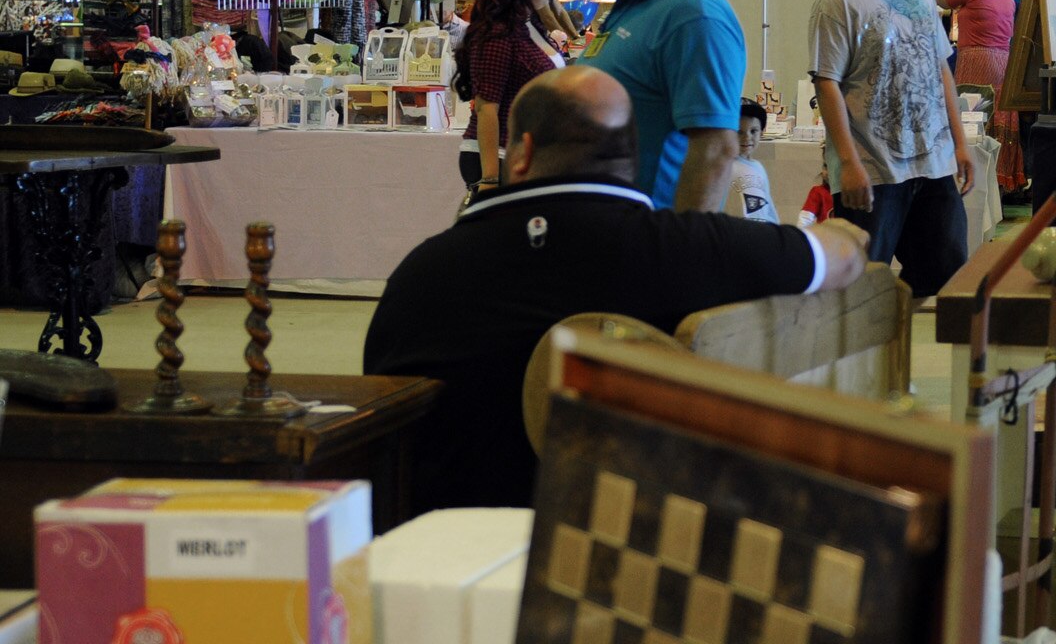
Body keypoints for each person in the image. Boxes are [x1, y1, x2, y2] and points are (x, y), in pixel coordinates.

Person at [363, 67, 868, 512]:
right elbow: (844, 253)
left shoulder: (421, 274)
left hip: (446, 545)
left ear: (523, 154)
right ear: (633, 158)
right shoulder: (689, 249)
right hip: (623, 545)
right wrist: (843, 233)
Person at [810, 0, 974, 300]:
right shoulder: (839, 0)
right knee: (861, 290)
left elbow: (941, 72)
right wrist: (848, 163)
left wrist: (960, 143)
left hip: (933, 166)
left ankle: (926, 363)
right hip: (873, 170)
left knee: (946, 286)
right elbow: (826, 83)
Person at [579, 0, 746, 212]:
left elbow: (714, 150)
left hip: (647, 242)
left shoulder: (693, 15)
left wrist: (676, 252)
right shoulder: (639, 2)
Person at [453, 0, 564, 197]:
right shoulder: (497, 33)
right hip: (500, 156)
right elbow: (487, 107)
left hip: (524, 154)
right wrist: (490, 178)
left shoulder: (527, 25)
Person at [939, 0, 1022, 193]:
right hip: (1003, 61)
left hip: (976, 58)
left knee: (973, 116)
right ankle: (1001, 178)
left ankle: (973, 177)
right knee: (999, 115)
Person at [729, 99, 780, 223]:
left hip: (759, 234)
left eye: (753, 131)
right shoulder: (725, 166)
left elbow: (768, 206)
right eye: (739, 132)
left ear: (761, 132)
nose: (747, 137)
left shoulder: (759, 168)